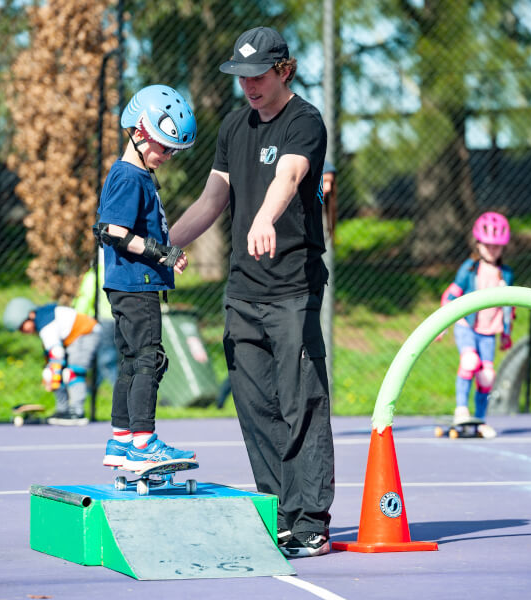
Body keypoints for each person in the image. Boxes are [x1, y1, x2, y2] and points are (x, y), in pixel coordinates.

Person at [169, 26, 334, 558]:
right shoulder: (234, 126)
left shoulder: (304, 121)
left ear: (284, 70)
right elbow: (213, 198)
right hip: (243, 289)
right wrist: (162, 242)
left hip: (292, 288)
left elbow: (288, 177)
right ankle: (278, 512)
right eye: (242, 77)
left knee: (300, 402)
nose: (249, 86)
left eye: (259, 75)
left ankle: (310, 520)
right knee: (254, 404)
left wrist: (264, 217)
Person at [94, 84, 195, 471]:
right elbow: (114, 231)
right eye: (164, 146)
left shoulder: (134, 175)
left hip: (130, 284)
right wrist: (164, 254)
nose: (167, 156)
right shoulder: (129, 177)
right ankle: (143, 441)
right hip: (136, 284)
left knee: (132, 360)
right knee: (148, 359)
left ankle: (121, 440)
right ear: (139, 131)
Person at [440, 212, 515, 439]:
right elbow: (451, 295)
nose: (492, 250)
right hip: (467, 325)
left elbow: (509, 305)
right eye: (487, 245)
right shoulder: (469, 268)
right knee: (470, 361)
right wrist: (442, 324)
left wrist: (506, 332)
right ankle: (461, 409)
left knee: (487, 376)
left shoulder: (507, 273)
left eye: (497, 246)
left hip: (488, 331)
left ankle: (480, 419)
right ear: (478, 243)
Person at [3, 298, 101, 425]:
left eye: (23, 326)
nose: (23, 331)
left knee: (72, 373)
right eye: (20, 329)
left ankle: (77, 412)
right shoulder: (42, 322)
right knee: (54, 373)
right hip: (73, 339)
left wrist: (52, 376)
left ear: (31, 314)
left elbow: (56, 354)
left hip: (86, 333)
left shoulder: (46, 325)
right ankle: (63, 410)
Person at [73, 248, 118, 387]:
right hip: (122, 318)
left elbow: (86, 297)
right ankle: (93, 388)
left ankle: (118, 389)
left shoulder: (96, 273)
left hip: (105, 319)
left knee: (106, 357)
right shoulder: (120, 271)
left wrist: (78, 317)